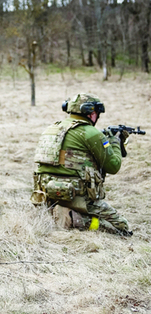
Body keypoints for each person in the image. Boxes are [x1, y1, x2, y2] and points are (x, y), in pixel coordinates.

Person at [32, 93, 131, 236]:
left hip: (46, 194)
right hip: (77, 197)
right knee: (122, 227)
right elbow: (113, 166)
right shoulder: (91, 133)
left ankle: (56, 212)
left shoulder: (51, 128)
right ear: (91, 113)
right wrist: (115, 142)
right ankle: (71, 219)